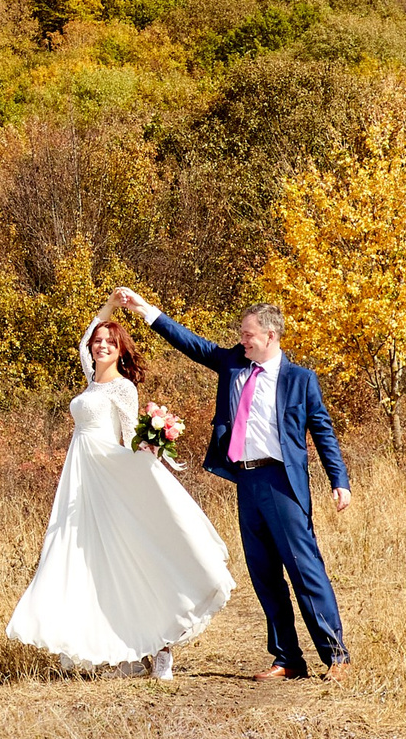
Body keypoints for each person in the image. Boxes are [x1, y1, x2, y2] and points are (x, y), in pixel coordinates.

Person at [112, 286, 353, 681]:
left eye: (247, 333)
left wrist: (338, 480)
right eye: (241, 333)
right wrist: (145, 310)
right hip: (247, 481)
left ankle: (337, 658)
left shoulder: (300, 380)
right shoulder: (232, 364)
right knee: (264, 573)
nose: (242, 339)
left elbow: (323, 432)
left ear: (270, 336)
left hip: (283, 483)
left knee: (304, 569)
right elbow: (190, 342)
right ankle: (287, 659)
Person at [5, 308, 234, 679]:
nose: (101, 346)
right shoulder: (92, 380)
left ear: (121, 351)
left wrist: (151, 448)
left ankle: (162, 649)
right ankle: (128, 654)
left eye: (110, 343)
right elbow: (83, 339)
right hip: (81, 479)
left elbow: (128, 437)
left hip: (110, 474)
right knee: (97, 560)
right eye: (99, 342)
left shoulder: (123, 387)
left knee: (133, 555)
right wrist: (110, 304)